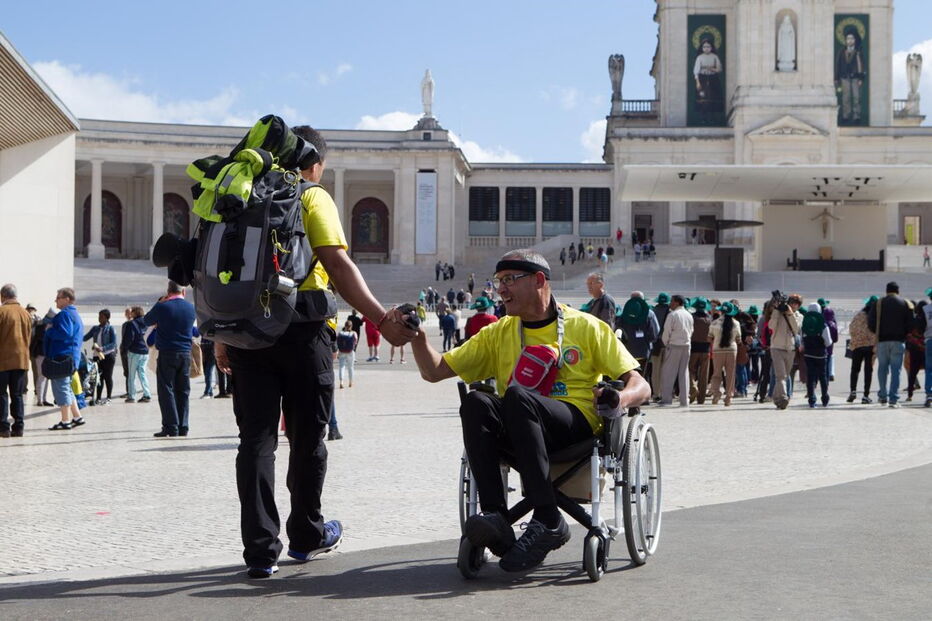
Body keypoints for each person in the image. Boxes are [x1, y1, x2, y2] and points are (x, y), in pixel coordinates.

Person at [213, 125, 416, 579]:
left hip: (248, 331)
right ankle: (306, 536)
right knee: (307, 439)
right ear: (315, 163)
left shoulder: (241, 196)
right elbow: (338, 264)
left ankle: (260, 552)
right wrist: (381, 319)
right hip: (304, 331)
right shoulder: (310, 196)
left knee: (255, 442)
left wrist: (221, 335)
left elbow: (217, 271)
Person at [409, 249, 649, 572]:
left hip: (574, 425)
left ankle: (548, 520)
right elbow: (434, 370)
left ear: (538, 280)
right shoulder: (499, 332)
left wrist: (618, 398)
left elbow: (640, 385)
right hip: (519, 425)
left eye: (509, 280)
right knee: (477, 402)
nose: (501, 289)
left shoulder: (587, 327)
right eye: (498, 281)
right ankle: (496, 517)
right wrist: (417, 336)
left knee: (517, 397)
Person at [144, 281, 197, 437]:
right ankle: (183, 426)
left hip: (167, 353)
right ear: (184, 292)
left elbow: (147, 320)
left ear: (168, 292)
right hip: (185, 353)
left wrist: (159, 303)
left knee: (166, 389)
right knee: (183, 390)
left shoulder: (163, 307)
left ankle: (171, 426)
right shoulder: (191, 308)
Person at [867, 282, 913, 408]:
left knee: (882, 368)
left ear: (886, 291)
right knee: (896, 370)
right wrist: (903, 334)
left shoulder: (879, 303)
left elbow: (870, 322)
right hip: (898, 341)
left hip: (882, 341)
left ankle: (883, 396)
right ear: (898, 291)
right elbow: (911, 324)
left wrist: (877, 332)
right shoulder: (905, 303)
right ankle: (893, 399)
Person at [45, 288, 85, 430]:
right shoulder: (74, 314)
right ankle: (77, 417)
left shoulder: (65, 314)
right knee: (67, 387)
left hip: (62, 357)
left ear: (67, 299)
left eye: (58, 298)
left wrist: (49, 330)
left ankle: (65, 420)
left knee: (61, 388)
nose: (55, 300)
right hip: (71, 357)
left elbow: (65, 333)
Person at [0, 284, 33, 438]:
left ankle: (3, 428)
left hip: (3, 361)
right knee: (17, 395)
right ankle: (19, 427)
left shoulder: (2, 312)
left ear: (3, 296)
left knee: (1, 394)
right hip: (21, 361)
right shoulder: (26, 313)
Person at [768, 294, 803, 410]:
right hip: (777, 347)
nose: (793, 305)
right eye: (791, 303)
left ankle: (776, 397)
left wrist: (789, 313)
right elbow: (771, 326)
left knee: (785, 375)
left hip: (790, 349)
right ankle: (783, 398)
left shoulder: (799, 316)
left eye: (796, 304)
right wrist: (776, 311)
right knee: (781, 375)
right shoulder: (778, 313)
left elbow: (796, 328)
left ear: (799, 306)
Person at [660, 294, 693, 407]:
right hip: (686, 345)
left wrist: (666, 343)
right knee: (684, 373)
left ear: (677, 302)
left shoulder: (672, 315)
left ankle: (666, 399)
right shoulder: (689, 315)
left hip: (674, 345)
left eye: (672, 301)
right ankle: (684, 400)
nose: (670, 304)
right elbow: (691, 330)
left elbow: (667, 331)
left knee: (668, 373)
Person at [801, 303, 832, 408]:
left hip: (808, 354)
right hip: (821, 354)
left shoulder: (804, 325)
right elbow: (828, 342)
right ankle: (825, 399)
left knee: (810, 377)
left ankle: (811, 400)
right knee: (823, 377)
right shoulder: (823, 325)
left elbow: (802, 340)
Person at [84, 309, 117, 405]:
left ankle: (108, 397)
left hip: (108, 356)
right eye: (99, 316)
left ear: (106, 318)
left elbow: (113, 344)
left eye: (101, 317)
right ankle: (98, 398)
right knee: (98, 378)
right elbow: (85, 337)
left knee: (107, 376)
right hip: (96, 356)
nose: (99, 318)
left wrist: (102, 348)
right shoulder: (95, 328)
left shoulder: (110, 329)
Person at [847, 296, 877, 404]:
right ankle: (865, 395)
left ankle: (853, 391)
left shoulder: (859, 315)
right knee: (868, 371)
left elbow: (851, 328)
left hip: (858, 346)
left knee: (855, 369)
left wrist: (856, 339)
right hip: (871, 347)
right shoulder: (876, 317)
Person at [835, 27, 865, 125]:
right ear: (845, 40)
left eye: (852, 38)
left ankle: (857, 116)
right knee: (846, 98)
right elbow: (838, 65)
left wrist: (861, 78)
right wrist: (836, 78)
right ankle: (846, 116)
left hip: (855, 77)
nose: (850, 40)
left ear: (855, 40)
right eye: (848, 39)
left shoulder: (858, 52)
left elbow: (861, 65)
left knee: (856, 97)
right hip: (844, 77)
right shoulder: (841, 51)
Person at [124, 306, 151, 403]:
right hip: (145, 352)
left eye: (132, 312)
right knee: (142, 374)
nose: (131, 313)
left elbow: (129, 338)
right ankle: (147, 394)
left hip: (134, 352)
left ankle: (131, 396)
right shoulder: (147, 323)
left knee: (131, 375)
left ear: (135, 313)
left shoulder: (131, 323)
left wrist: (125, 348)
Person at [694, 37, 723, 125]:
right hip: (702, 79)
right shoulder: (699, 57)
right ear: (702, 48)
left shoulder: (714, 57)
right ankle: (703, 118)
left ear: (711, 47)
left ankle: (712, 118)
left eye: (708, 47)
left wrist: (712, 69)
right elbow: (696, 70)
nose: (706, 48)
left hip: (713, 78)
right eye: (704, 47)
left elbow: (719, 69)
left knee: (713, 98)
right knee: (702, 98)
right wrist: (697, 82)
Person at [688, 297, 712, 404]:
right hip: (706, 349)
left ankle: (693, 387)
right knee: (704, 374)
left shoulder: (692, 318)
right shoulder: (709, 319)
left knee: (690, 370)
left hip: (693, 348)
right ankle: (701, 398)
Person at [649, 293, 671, 402]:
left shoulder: (653, 311)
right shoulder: (671, 312)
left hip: (656, 344)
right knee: (666, 370)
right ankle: (664, 393)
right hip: (667, 344)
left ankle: (656, 394)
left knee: (655, 370)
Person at [336, 320, 357, 388]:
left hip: (341, 352)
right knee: (350, 367)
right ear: (351, 326)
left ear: (345, 326)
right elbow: (355, 342)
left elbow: (337, 342)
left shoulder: (340, 333)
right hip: (350, 352)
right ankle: (350, 382)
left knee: (341, 367)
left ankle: (341, 382)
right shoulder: (354, 333)